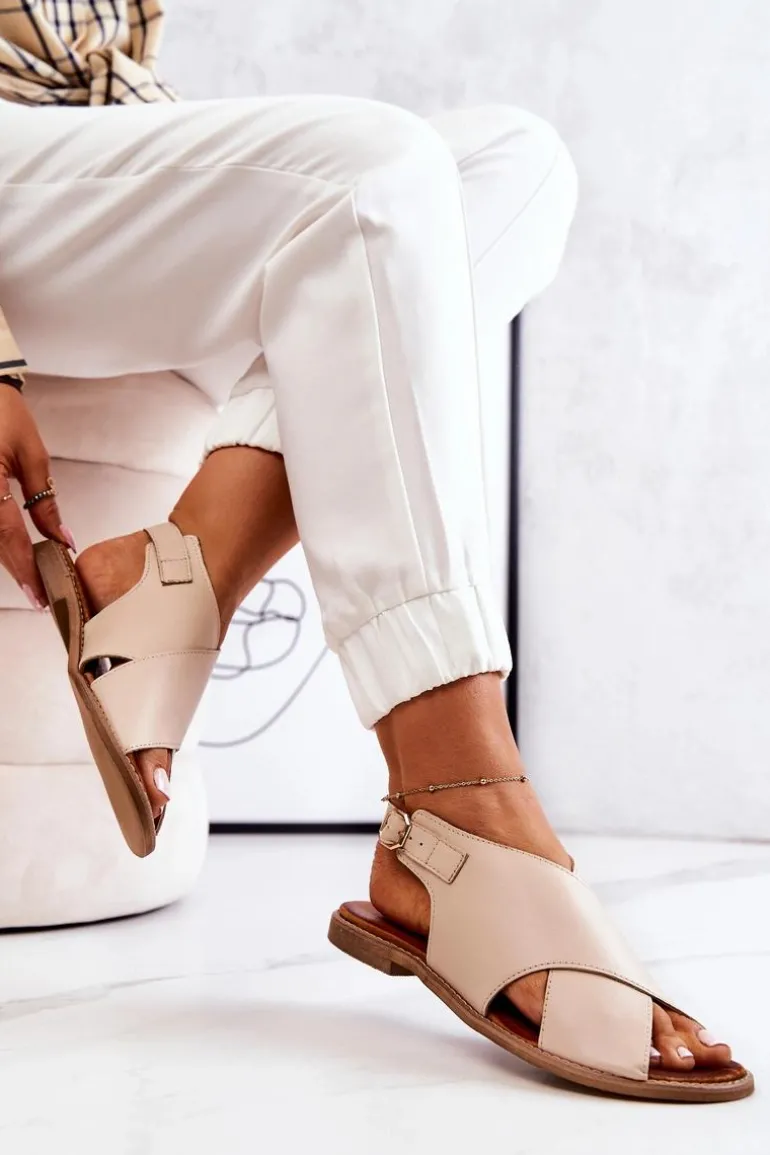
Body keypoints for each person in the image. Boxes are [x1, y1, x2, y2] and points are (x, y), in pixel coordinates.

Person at [0, 1, 751, 1101]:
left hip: (77, 136)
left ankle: (183, 568)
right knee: (371, 169)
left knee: (512, 162)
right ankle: (455, 790)